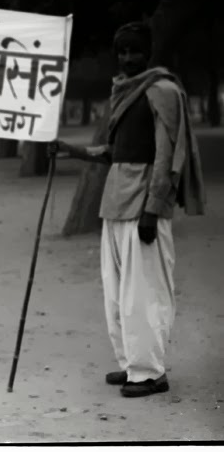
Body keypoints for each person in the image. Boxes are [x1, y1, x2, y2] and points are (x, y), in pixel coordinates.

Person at [50, 21, 205, 398]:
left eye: (135, 50)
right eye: (122, 51)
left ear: (148, 52)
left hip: (143, 210)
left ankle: (151, 372)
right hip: (115, 204)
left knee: (144, 294)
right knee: (116, 295)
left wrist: (153, 210)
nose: (128, 57)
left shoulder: (163, 91)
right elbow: (115, 154)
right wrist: (70, 151)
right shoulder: (122, 90)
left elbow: (169, 156)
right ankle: (130, 363)